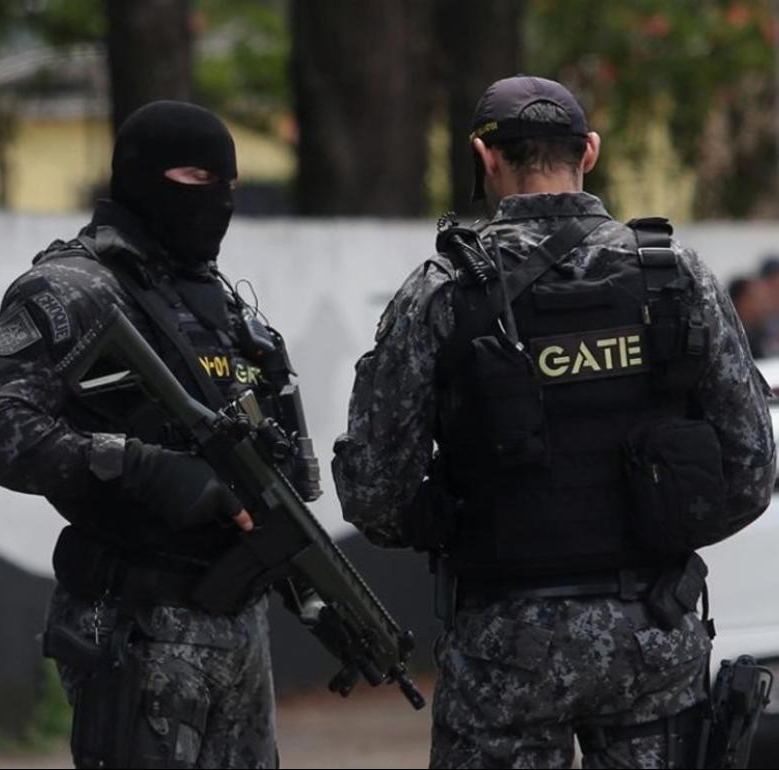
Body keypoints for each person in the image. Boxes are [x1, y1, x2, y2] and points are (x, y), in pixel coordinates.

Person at [332, 75, 775, 769]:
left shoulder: (440, 294)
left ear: (485, 160)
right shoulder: (675, 275)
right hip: (654, 636)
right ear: (589, 152)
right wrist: (659, 535)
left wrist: (462, 523)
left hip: (505, 646)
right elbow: (752, 472)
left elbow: (373, 496)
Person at [0, 101, 321, 769]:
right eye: (195, 178)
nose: (219, 200)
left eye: (229, 184)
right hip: (137, 626)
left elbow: (293, 468)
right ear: (140, 178)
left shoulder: (225, 309)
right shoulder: (71, 289)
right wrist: (144, 468)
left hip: (237, 632)